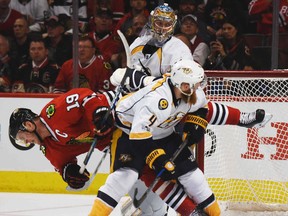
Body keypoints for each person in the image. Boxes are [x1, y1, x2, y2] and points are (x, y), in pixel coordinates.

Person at [109, 3, 272, 215]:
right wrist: (130, 79)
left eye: (167, 24)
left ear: (173, 25)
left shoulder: (178, 48)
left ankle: (242, 118)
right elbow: (125, 79)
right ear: (151, 21)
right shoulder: (139, 44)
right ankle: (154, 204)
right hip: (144, 113)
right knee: (151, 168)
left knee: (182, 161)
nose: (161, 27)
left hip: (168, 104)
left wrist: (144, 80)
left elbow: (184, 80)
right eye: (158, 22)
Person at [89, 59, 221, 216]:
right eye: (195, 83)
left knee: (194, 177)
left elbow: (201, 105)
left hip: (164, 133)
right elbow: (138, 135)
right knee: (123, 178)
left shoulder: (190, 91)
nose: (199, 87)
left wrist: (196, 122)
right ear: (184, 85)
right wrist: (158, 159)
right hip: (129, 133)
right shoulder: (156, 100)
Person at [8, 88, 115, 189]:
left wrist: (98, 113)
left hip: (116, 111)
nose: (26, 142)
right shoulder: (49, 149)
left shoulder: (54, 112)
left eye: (22, 138)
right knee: (123, 173)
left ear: (29, 125)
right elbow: (63, 166)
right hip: (112, 140)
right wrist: (69, 171)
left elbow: (86, 96)